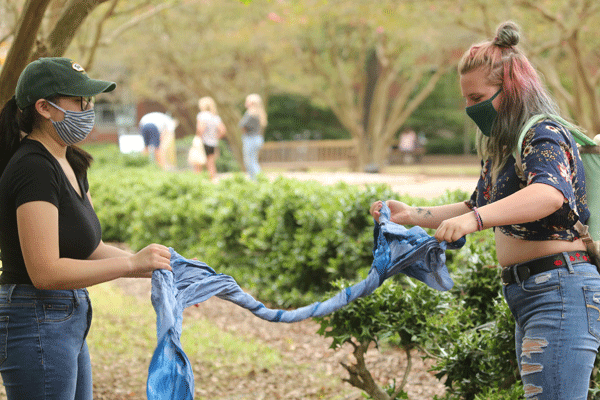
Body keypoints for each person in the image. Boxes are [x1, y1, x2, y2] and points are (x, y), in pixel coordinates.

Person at [371, 21, 600, 399]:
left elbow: (549, 194)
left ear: (511, 89)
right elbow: (477, 205)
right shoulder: (504, 144)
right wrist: (412, 214)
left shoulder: (542, 133)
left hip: (561, 290)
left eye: (477, 97)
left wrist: (474, 221)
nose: (469, 108)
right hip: (530, 291)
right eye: (465, 99)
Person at [0, 57, 172, 399]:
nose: (88, 108)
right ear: (44, 108)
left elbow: (91, 248)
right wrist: (129, 264)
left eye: (89, 100)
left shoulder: (71, 161)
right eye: (80, 100)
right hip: (35, 319)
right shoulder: (33, 167)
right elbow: (45, 272)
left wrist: (157, 267)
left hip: (65, 318)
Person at [193, 96, 226, 180]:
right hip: (212, 142)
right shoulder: (215, 117)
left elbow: (200, 129)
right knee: (211, 163)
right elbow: (223, 130)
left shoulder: (202, 115)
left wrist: (199, 136)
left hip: (203, 141)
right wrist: (216, 137)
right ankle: (213, 180)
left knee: (198, 163)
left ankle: (198, 181)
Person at [239, 93, 267, 179]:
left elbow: (242, 125)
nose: (245, 103)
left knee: (250, 162)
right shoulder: (260, 113)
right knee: (254, 161)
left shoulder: (250, 113)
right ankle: (257, 179)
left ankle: (257, 179)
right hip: (258, 138)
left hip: (250, 139)